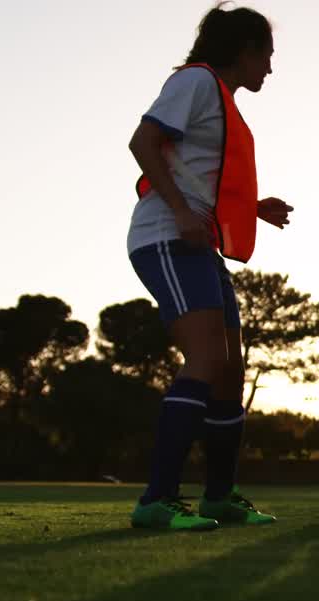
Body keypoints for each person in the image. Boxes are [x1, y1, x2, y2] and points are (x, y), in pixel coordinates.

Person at [126, 4, 291, 530]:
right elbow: (143, 142)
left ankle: (219, 496)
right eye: (267, 55)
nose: (270, 67)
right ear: (244, 52)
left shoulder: (223, 103)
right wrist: (179, 209)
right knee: (204, 358)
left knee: (229, 370)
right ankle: (157, 499)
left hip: (200, 242)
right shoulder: (196, 82)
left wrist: (253, 207)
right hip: (167, 236)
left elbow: (201, 175)